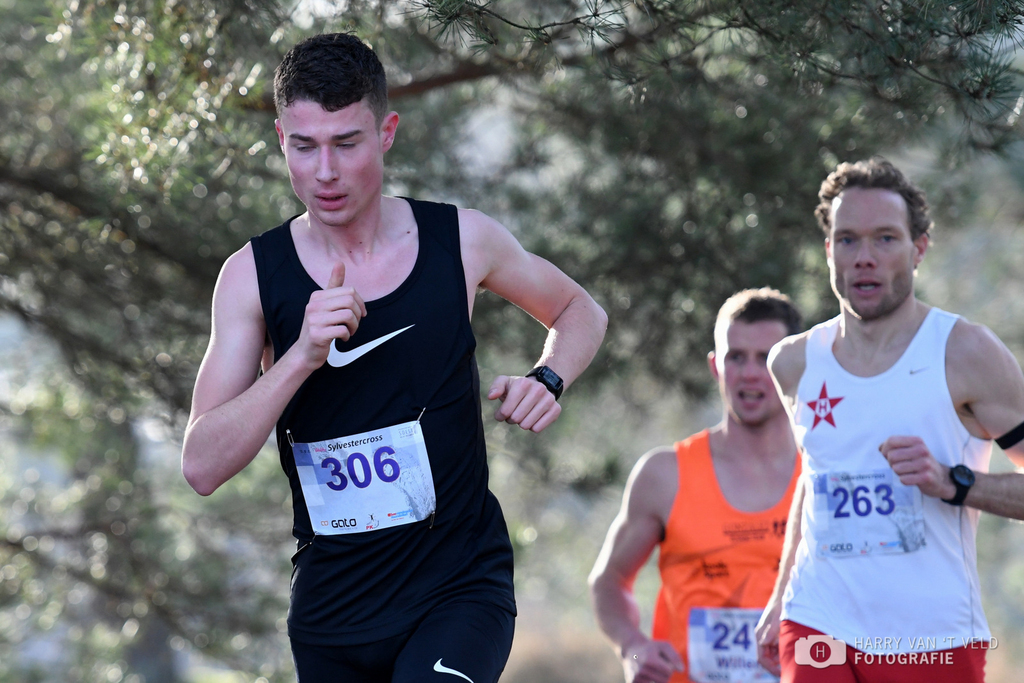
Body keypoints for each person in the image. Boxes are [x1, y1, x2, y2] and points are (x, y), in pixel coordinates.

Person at [180, 33, 607, 683]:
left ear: (386, 133)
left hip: (458, 588)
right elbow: (202, 465)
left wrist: (547, 378)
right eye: (305, 146)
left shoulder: (460, 240)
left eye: (346, 143)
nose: (325, 171)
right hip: (333, 611)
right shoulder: (251, 278)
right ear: (281, 139)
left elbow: (580, 310)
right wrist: (299, 357)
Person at [755, 157, 1024, 683]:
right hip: (817, 623)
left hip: (931, 638)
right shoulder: (792, 362)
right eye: (848, 240)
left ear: (918, 248)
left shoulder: (966, 352)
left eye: (885, 239)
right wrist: (780, 594)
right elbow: (816, 476)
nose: (864, 258)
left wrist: (953, 482)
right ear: (828, 249)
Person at [590, 288, 804, 683]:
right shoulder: (664, 475)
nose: (750, 373)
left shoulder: (824, 472)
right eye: (735, 357)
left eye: (765, 358)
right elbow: (609, 581)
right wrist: (632, 646)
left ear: (793, 367)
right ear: (715, 366)